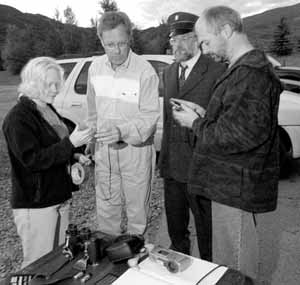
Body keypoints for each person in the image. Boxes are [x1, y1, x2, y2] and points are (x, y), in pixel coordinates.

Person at [172, 6, 282, 279]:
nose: (204, 49)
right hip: (230, 186)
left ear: (226, 30)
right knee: (230, 260)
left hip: (236, 188)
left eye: (206, 41)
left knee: (234, 266)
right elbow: (238, 124)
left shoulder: (251, 74)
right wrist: (204, 115)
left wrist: (195, 123)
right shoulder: (241, 70)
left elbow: (240, 136)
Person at [2, 57, 94, 268]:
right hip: (37, 205)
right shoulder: (17, 119)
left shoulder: (47, 109)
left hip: (58, 197)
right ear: (33, 83)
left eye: (57, 84)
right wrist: (71, 143)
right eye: (49, 84)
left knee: (58, 258)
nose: (55, 89)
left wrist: (75, 155)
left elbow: (54, 146)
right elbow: (32, 160)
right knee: (38, 264)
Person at [158, 12, 226, 260]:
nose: (175, 45)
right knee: (176, 230)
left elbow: (221, 121)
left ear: (197, 39)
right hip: (173, 167)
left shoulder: (218, 71)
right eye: (172, 39)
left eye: (183, 39)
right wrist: (163, 160)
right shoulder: (168, 72)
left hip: (202, 168)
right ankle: (181, 272)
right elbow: (168, 120)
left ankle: (209, 273)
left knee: (207, 232)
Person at [86, 11, 160, 235]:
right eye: (110, 44)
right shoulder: (95, 69)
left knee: (138, 215)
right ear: (101, 41)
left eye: (122, 43)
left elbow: (149, 118)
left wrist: (121, 131)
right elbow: (92, 109)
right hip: (104, 153)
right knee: (107, 211)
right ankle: (111, 264)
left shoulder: (145, 71)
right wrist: (91, 137)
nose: (116, 50)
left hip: (135, 153)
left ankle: (137, 260)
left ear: (130, 39)